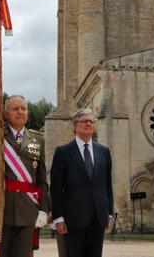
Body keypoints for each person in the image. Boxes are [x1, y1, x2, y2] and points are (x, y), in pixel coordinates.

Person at [50, 108, 114, 257]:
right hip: (73, 218)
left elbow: (107, 184)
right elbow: (56, 188)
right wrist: (58, 217)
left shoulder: (104, 151)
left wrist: (109, 212)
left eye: (91, 121)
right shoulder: (63, 152)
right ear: (75, 126)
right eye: (84, 121)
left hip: (98, 217)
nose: (88, 124)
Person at [0, 95, 49, 257]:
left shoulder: (38, 139)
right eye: (15, 109)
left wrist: (43, 209)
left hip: (28, 211)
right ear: (6, 114)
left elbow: (42, 179)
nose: (20, 112)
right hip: (1, 209)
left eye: (24, 109)